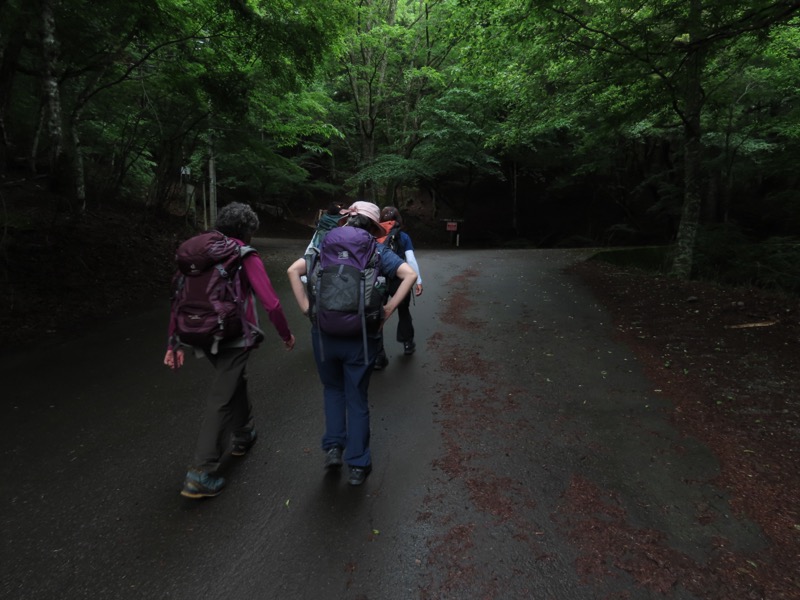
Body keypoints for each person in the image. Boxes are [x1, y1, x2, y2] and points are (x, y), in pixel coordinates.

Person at [164, 202, 296, 499]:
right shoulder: (243, 255)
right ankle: (201, 472)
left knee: (233, 378)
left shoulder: (199, 255)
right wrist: (286, 334)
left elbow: (178, 295)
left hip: (196, 332)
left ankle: (243, 433)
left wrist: (173, 339)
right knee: (221, 396)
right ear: (247, 231)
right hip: (233, 334)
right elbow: (271, 302)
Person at [286, 201, 417, 485]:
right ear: (372, 227)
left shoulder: (324, 246)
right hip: (361, 335)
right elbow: (410, 275)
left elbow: (292, 271)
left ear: (347, 221)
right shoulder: (377, 250)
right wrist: (388, 309)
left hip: (324, 333)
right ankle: (358, 464)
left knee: (333, 390)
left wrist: (307, 309)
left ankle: (333, 448)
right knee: (356, 396)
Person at [374, 206, 424, 369]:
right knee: (403, 310)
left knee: (377, 315)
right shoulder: (403, 237)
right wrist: (418, 281)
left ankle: (379, 356)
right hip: (399, 280)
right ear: (399, 220)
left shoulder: (375, 236)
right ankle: (408, 343)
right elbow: (410, 260)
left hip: (378, 279)